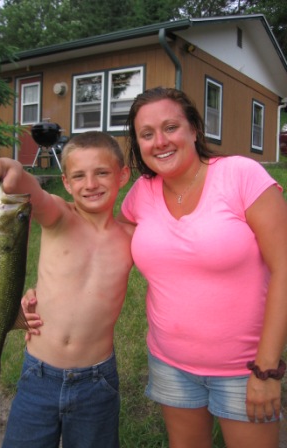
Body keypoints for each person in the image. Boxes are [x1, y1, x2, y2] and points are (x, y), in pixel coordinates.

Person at [116, 86, 287, 448]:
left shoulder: (241, 176)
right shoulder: (140, 195)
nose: (160, 141)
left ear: (195, 129)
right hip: (169, 364)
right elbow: (101, 252)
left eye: (170, 127)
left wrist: (267, 369)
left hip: (244, 370)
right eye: (147, 134)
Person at [0, 131, 134, 448]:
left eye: (102, 172)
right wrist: (3, 166)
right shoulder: (59, 215)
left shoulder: (132, 236)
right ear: (66, 183)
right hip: (39, 376)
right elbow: (26, 187)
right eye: (78, 176)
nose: (91, 183)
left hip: (97, 383)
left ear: (122, 175)